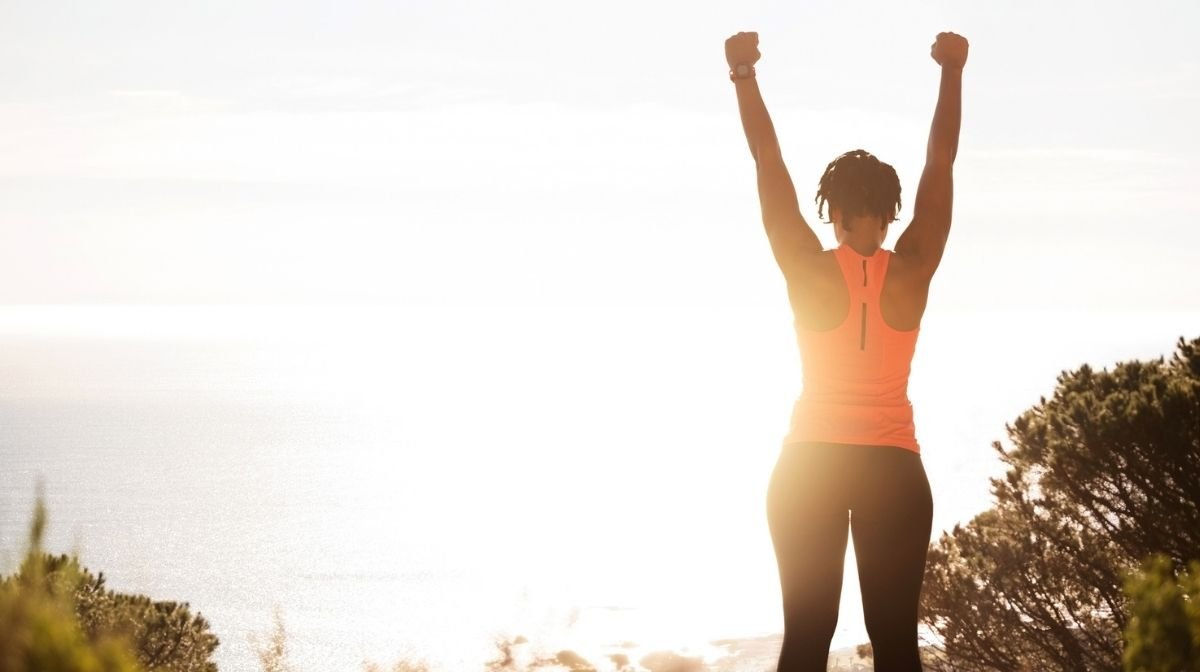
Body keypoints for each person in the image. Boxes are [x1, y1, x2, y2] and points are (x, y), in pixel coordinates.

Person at [725, 30, 969, 672]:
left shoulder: (808, 269)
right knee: (895, 643)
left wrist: (744, 73)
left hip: (808, 466)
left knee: (806, 637)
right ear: (890, 209)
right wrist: (953, 70)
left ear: (831, 208)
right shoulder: (913, 267)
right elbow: (941, 160)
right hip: (892, 465)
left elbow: (767, 161)